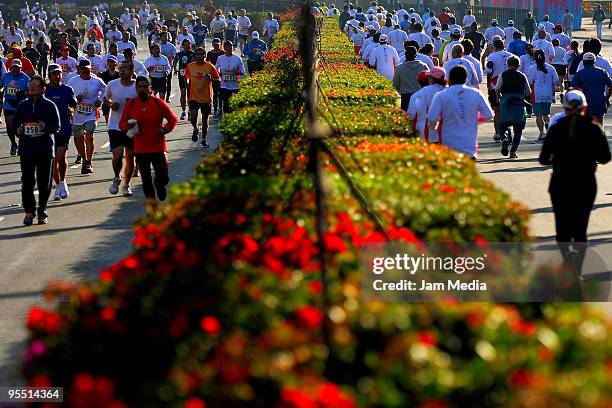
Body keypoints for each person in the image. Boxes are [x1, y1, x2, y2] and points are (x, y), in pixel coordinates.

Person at [539, 89, 611, 270]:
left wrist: (557, 159)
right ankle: (577, 267)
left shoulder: (556, 128)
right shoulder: (594, 128)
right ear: (584, 108)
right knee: (580, 228)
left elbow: (543, 159)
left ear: (564, 108)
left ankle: (567, 259)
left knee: (562, 227)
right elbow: (605, 158)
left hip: (560, 182)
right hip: (586, 183)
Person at [119, 76, 178, 202]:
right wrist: (128, 126)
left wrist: (165, 129)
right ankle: (152, 206)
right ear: (136, 89)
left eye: (145, 87)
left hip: (158, 147)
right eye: (140, 87)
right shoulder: (132, 104)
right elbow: (122, 124)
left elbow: (173, 119)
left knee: (163, 177)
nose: (142, 89)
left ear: (150, 88)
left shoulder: (157, 103)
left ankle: (159, 184)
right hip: (141, 149)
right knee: (146, 179)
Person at [14, 75, 60, 225]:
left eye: (35, 85)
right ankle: (29, 211)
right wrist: (18, 130)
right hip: (26, 150)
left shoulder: (49, 105)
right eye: (30, 85)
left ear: (42, 88)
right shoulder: (22, 105)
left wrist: (45, 127)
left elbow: (57, 127)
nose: (31, 87)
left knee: (44, 183)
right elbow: (15, 124)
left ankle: (42, 210)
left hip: (45, 149)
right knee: (27, 182)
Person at [427, 66, 494, 159]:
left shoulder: (441, 95)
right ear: (466, 79)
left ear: (449, 79)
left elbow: (432, 118)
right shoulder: (476, 93)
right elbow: (489, 115)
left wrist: (433, 129)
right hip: (469, 145)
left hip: (448, 144)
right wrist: (474, 120)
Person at [104, 60, 137, 196]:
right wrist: (111, 105)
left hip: (132, 126)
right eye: (120, 68)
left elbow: (146, 99)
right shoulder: (112, 84)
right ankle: (117, 176)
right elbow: (105, 99)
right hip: (115, 125)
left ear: (132, 71)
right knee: (117, 156)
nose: (122, 70)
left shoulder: (137, 86)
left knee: (130, 157)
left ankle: (127, 184)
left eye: (125, 68)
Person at [67, 59, 106, 174]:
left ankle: (89, 162)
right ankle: (84, 159)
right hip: (77, 114)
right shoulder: (72, 81)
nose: (85, 72)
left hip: (91, 113)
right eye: (83, 70)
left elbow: (105, 90)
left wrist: (99, 100)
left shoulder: (97, 81)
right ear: (79, 70)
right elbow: (67, 93)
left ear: (90, 69)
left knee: (90, 135)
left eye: (87, 70)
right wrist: (74, 100)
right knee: (79, 138)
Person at [45, 64, 76, 201]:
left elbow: (73, 104)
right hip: (49, 130)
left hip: (64, 127)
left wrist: (71, 109)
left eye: (59, 73)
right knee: (54, 160)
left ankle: (62, 182)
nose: (57, 76)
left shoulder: (67, 89)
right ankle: (59, 185)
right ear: (49, 75)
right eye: (54, 74)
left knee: (60, 156)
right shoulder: (45, 91)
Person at [495, 56, 531, 158]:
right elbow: (528, 92)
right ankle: (513, 151)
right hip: (518, 102)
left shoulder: (503, 75)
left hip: (505, 101)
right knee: (518, 129)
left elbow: (497, 88)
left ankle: (504, 138)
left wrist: (498, 99)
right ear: (518, 65)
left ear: (507, 64)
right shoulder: (522, 76)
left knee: (503, 125)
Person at [185, 47, 219, 147]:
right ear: (195, 55)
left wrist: (211, 78)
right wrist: (187, 82)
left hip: (206, 97)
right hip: (194, 96)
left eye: (201, 54)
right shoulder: (190, 66)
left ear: (204, 55)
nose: (199, 56)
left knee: (205, 120)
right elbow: (186, 77)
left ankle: (204, 139)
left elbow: (217, 78)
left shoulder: (210, 66)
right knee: (193, 116)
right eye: (198, 54)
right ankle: (195, 128)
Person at [571, 52, 612, 125]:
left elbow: (573, 89)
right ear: (594, 62)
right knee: (599, 125)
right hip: (599, 102)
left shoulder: (579, 74)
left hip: (584, 103)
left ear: (583, 62)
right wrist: (607, 97)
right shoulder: (602, 72)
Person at [485, 37, 514, 141]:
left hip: (495, 84)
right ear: (503, 45)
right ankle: (508, 129)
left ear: (494, 46)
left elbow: (488, 71)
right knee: (509, 108)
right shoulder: (511, 56)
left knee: (497, 111)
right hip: (510, 85)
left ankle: (497, 133)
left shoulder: (491, 56)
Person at [527, 50, 559, 141]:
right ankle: (548, 127)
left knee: (538, 116)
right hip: (548, 93)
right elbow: (556, 80)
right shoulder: (551, 68)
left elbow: (529, 82)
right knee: (546, 114)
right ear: (545, 57)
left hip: (537, 94)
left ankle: (541, 133)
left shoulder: (532, 68)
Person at [407, 67, 446, 139]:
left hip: (423, 134)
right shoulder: (450, 92)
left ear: (431, 79)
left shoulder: (417, 95)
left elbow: (410, 117)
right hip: (445, 135)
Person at [0, 59, 29, 155]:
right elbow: (0, 86)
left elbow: (31, 91)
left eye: (18, 67)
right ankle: (13, 143)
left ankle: (22, 142)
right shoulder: (6, 76)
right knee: (9, 127)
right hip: (9, 103)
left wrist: (24, 93)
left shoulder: (25, 78)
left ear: (21, 68)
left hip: (21, 104)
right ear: (11, 67)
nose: (16, 69)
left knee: (20, 129)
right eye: (14, 67)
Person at [393, 45, 428, 111]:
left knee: (407, 118)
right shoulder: (423, 66)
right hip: (420, 97)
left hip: (406, 98)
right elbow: (428, 82)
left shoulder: (400, 67)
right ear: (416, 55)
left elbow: (395, 84)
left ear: (405, 55)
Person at [215, 40, 244, 117]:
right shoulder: (220, 58)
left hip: (235, 85)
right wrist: (219, 73)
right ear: (224, 48)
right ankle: (226, 119)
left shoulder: (237, 58)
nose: (229, 48)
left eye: (230, 46)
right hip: (224, 85)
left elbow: (242, 71)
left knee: (234, 104)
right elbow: (216, 68)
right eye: (227, 47)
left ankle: (233, 119)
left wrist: (236, 72)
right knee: (226, 104)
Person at [174, 39, 196, 120]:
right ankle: (183, 112)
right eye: (185, 44)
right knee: (183, 93)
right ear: (182, 46)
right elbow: (175, 61)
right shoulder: (179, 54)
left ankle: (190, 111)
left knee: (189, 95)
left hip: (191, 76)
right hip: (182, 76)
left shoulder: (193, 54)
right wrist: (175, 69)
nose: (187, 46)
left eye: (188, 44)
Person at [206, 38, 224, 117]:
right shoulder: (210, 53)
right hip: (213, 76)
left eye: (217, 44)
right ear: (212, 45)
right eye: (215, 45)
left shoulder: (223, 53)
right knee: (215, 94)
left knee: (221, 93)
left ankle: (220, 109)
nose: (216, 46)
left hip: (222, 75)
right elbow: (207, 63)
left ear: (220, 45)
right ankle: (215, 110)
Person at [158, 32, 177, 102]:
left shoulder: (171, 46)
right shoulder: (158, 46)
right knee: (160, 83)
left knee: (168, 82)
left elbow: (175, 55)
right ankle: (160, 98)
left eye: (166, 36)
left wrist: (171, 57)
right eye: (163, 36)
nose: (165, 38)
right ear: (160, 37)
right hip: (159, 67)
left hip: (168, 66)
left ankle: (168, 97)